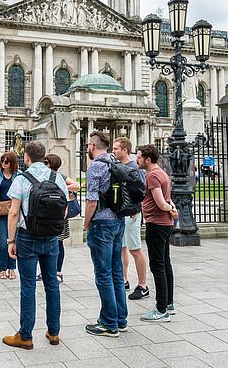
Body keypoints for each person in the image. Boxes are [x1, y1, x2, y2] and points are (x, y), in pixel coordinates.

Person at [2, 141, 68, 350]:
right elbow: (64, 210)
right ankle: (54, 331)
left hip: (27, 236)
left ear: (27, 157)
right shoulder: (57, 177)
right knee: (51, 283)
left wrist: (11, 240)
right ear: (44, 156)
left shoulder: (22, 179)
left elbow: (13, 212)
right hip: (51, 238)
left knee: (28, 285)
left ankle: (25, 335)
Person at [83, 130, 127, 337]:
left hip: (101, 223)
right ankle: (121, 318)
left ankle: (109, 323)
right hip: (119, 221)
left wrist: (85, 224)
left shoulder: (95, 167)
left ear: (92, 146)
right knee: (117, 272)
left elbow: (92, 201)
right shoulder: (116, 163)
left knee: (103, 274)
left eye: (88, 146)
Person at [137, 144, 177, 322]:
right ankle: (168, 303)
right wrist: (171, 209)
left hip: (156, 223)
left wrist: (169, 209)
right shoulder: (162, 172)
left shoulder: (152, 175)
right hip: (165, 224)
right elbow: (167, 199)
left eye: (138, 157)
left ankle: (161, 310)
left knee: (157, 266)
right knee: (165, 263)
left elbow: (161, 202)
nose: (136, 159)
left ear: (147, 159)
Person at [112, 137, 149, 300]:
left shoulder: (134, 167)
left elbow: (141, 190)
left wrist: (136, 207)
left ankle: (143, 285)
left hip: (132, 213)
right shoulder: (118, 166)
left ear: (125, 150)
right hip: (121, 212)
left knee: (135, 249)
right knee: (122, 247)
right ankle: (123, 280)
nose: (113, 152)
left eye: (116, 149)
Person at [43, 153, 80, 284]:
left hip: (59, 213)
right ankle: (47, 270)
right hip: (46, 214)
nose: (44, 165)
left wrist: (61, 188)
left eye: (46, 162)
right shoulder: (42, 176)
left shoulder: (60, 177)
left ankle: (58, 271)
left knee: (58, 243)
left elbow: (76, 185)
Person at [0, 151, 20, 280]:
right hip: (0, 211)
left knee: (13, 240)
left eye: (6, 161)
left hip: (15, 211)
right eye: (2, 161)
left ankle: (12, 268)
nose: (3, 164)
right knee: (3, 241)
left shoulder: (18, 175)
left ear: (12, 163)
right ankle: (2, 268)